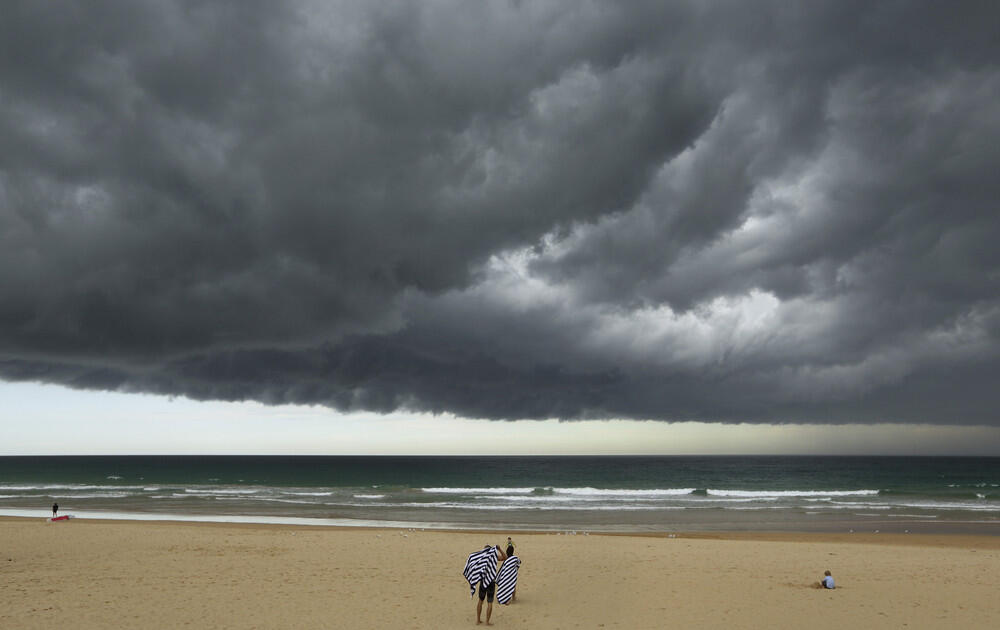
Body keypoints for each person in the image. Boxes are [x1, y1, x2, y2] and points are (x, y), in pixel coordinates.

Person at [464, 544, 506, 625]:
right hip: (491, 581)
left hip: (483, 581)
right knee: (490, 602)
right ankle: (487, 622)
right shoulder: (494, 557)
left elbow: (473, 563)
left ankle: (478, 620)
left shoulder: (481, 558)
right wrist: (499, 549)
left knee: (480, 600)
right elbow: (505, 557)